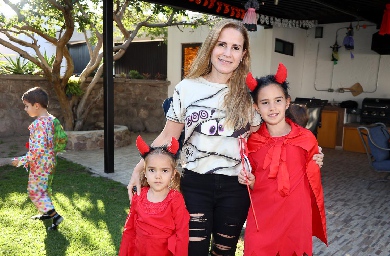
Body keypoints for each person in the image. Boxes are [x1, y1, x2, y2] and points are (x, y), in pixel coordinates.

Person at [127, 19, 324, 255]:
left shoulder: (249, 95)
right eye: (222, 44)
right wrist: (138, 169)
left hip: (235, 187)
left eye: (235, 47)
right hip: (195, 184)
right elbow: (169, 136)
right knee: (193, 251)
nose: (227, 53)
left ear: (243, 54)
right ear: (211, 47)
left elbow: (265, 139)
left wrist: (306, 152)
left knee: (224, 252)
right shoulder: (186, 88)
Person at [238, 63, 328, 255]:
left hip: (296, 219)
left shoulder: (306, 138)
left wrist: (317, 160)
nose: (272, 107)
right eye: (265, 102)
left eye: (278, 100)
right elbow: (254, 182)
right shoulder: (251, 143)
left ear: (287, 102)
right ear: (256, 107)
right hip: (263, 219)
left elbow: (312, 177)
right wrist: (248, 180)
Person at [119, 136, 190, 255]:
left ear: (173, 174)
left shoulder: (175, 199)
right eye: (152, 170)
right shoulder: (139, 196)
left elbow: (182, 233)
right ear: (145, 172)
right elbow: (129, 230)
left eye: (164, 170)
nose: (158, 176)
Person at [11, 87, 64, 230]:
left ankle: (55, 216)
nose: (25, 109)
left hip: (40, 164)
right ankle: (47, 213)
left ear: (36, 105)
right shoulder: (51, 120)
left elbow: (37, 150)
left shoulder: (38, 124)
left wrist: (21, 160)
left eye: (26, 106)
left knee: (35, 191)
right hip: (49, 161)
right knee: (43, 189)